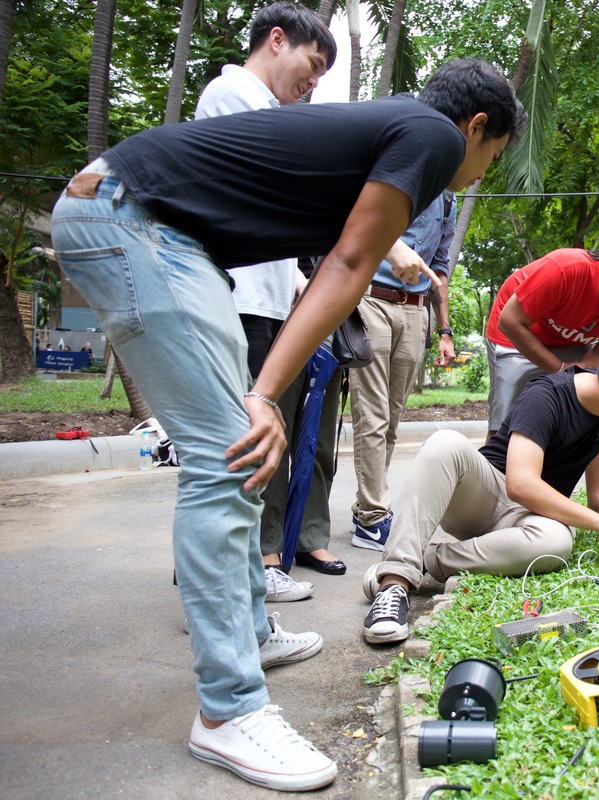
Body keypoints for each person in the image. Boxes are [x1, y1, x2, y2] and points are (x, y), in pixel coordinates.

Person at [50, 58, 523, 791]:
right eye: (492, 159)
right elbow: (353, 259)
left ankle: (253, 633)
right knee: (231, 455)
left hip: (155, 225)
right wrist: (267, 394)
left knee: (238, 449)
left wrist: (266, 388)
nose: (482, 173)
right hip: (132, 219)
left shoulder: (393, 127)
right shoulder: (432, 136)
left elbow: (343, 253)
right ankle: (228, 710)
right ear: (477, 127)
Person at [359, 336, 599, 644]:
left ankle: (428, 560)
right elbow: (520, 484)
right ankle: (394, 583)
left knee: (556, 541)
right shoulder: (549, 395)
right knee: (445, 442)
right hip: (484, 495)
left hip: (532, 517)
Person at [195, 1, 340, 594]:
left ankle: (246, 570)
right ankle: (243, 573)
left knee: (253, 442)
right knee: (243, 443)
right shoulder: (234, 97)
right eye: (312, 63)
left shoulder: (261, 106)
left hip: (266, 304)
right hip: (240, 306)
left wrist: (300, 283)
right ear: (276, 40)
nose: (312, 81)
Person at [484, 246, 599, 512]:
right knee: (505, 416)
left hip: (570, 341)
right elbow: (510, 321)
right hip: (517, 330)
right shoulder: (566, 267)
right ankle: (490, 495)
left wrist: (575, 375)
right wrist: (560, 368)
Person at [350, 191, 457, 552]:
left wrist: (444, 330)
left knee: (392, 418)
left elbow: (440, 264)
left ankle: (368, 508)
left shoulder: (447, 200)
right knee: (373, 415)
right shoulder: (401, 178)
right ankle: (372, 516)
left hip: (415, 311)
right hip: (372, 300)